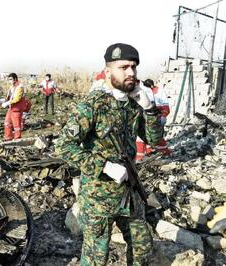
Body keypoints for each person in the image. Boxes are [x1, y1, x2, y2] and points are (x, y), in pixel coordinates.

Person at [55, 43, 163, 266]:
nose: (131, 72)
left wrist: (150, 109)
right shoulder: (92, 106)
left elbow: (153, 139)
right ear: (108, 71)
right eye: (124, 67)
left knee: (142, 246)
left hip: (130, 193)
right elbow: (64, 145)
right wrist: (103, 166)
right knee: (96, 257)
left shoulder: (134, 104)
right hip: (99, 197)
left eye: (134, 67)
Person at [135, 79, 172, 160]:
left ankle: (164, 153)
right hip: (144, 117)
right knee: (141, 137)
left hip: (156, 117)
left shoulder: (159, 92)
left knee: (156, 136)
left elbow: (165, 107)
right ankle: (142, 156)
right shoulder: (141, 90)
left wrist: (163, 116)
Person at [2, 73, 26, 140]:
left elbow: (17, 99)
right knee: (7, 123)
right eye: (9, 79)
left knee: (16, 125)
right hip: (11, 108)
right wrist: (3, 101)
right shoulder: (12, 87)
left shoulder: (19, 87)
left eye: (10, 79)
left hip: (17, 108)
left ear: (15, 79)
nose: (9, 81)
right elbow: (9, 97)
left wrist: (7, 103)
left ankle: (17, 138)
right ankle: (8, 137)